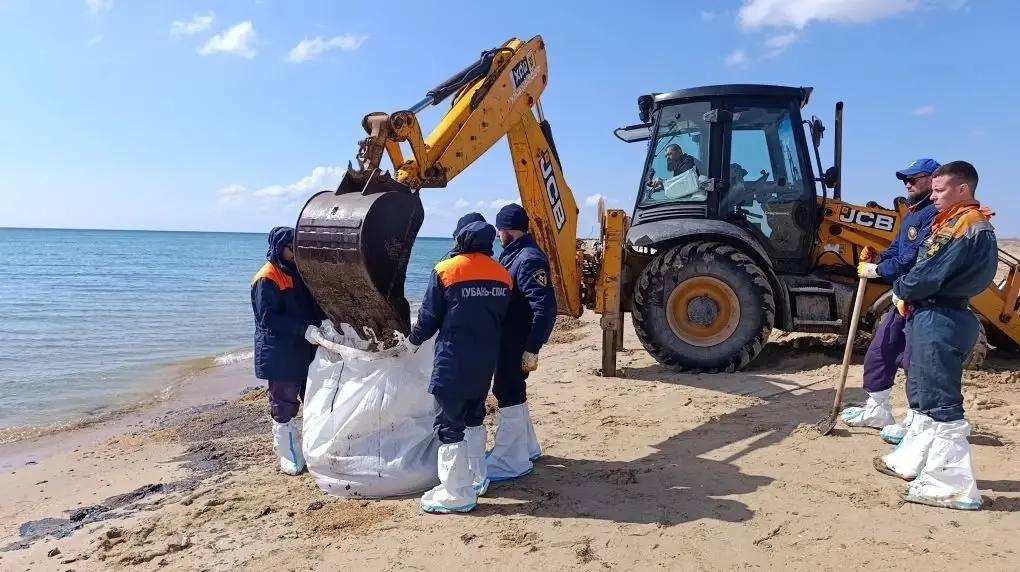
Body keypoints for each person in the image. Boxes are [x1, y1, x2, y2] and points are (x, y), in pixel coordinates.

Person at [875, 161, 997, 510]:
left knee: (942, 405)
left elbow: (929, 273)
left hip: (940, 316)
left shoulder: (964, 225)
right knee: (925, 397)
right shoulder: (958, 222)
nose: (933, 196)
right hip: (935, 313)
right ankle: (917, 461)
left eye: (940, 190)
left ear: (963, 189)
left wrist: (901, 287)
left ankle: (952, 486)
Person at [402, 213, 512, 514]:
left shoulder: (447, 270)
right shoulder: (502, 274)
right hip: (484, 361)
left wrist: (411, 343)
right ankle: (477, 478)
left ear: (460, 237)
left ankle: (456, 492)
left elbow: (429, 317)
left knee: (448, 424)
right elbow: (502, 316)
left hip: (453, 358)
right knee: (474, 416)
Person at [841, 158, 939, 437]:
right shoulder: (912, 213)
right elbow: (898, 250)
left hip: (922, 301)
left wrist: (877, 270)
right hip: (902, 297)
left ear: (933, 179)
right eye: (905, 179)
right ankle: (878, 409)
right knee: (881, 349)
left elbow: (911, 261)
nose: (907, 183)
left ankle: (918, 422)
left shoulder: (934, 216)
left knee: (915, 362)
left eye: (914, 178)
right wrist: (879, 256)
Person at [486, 203, 557, 482]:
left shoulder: (528, 259)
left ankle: (510, 461)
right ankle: (527, 448)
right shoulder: (514, 254)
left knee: (508, 391)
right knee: (512, 390)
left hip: (516, 341)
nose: (497, 236)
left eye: (499, 231)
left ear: (507, 230)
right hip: (509, 337)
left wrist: (532, 348)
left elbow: (545, 308)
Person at [250, 226, 325, 475]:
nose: (296, 251)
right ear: (279, 248)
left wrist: (325, 323)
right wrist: (303, 329)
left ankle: (314, 449)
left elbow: (310, 305)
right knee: (284, 404)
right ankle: (288, 454)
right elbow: (268, 319)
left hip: (304, 348)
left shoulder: (297, 272)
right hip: (280, 353)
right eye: (292, 247)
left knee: (313, 398)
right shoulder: (267, 278)